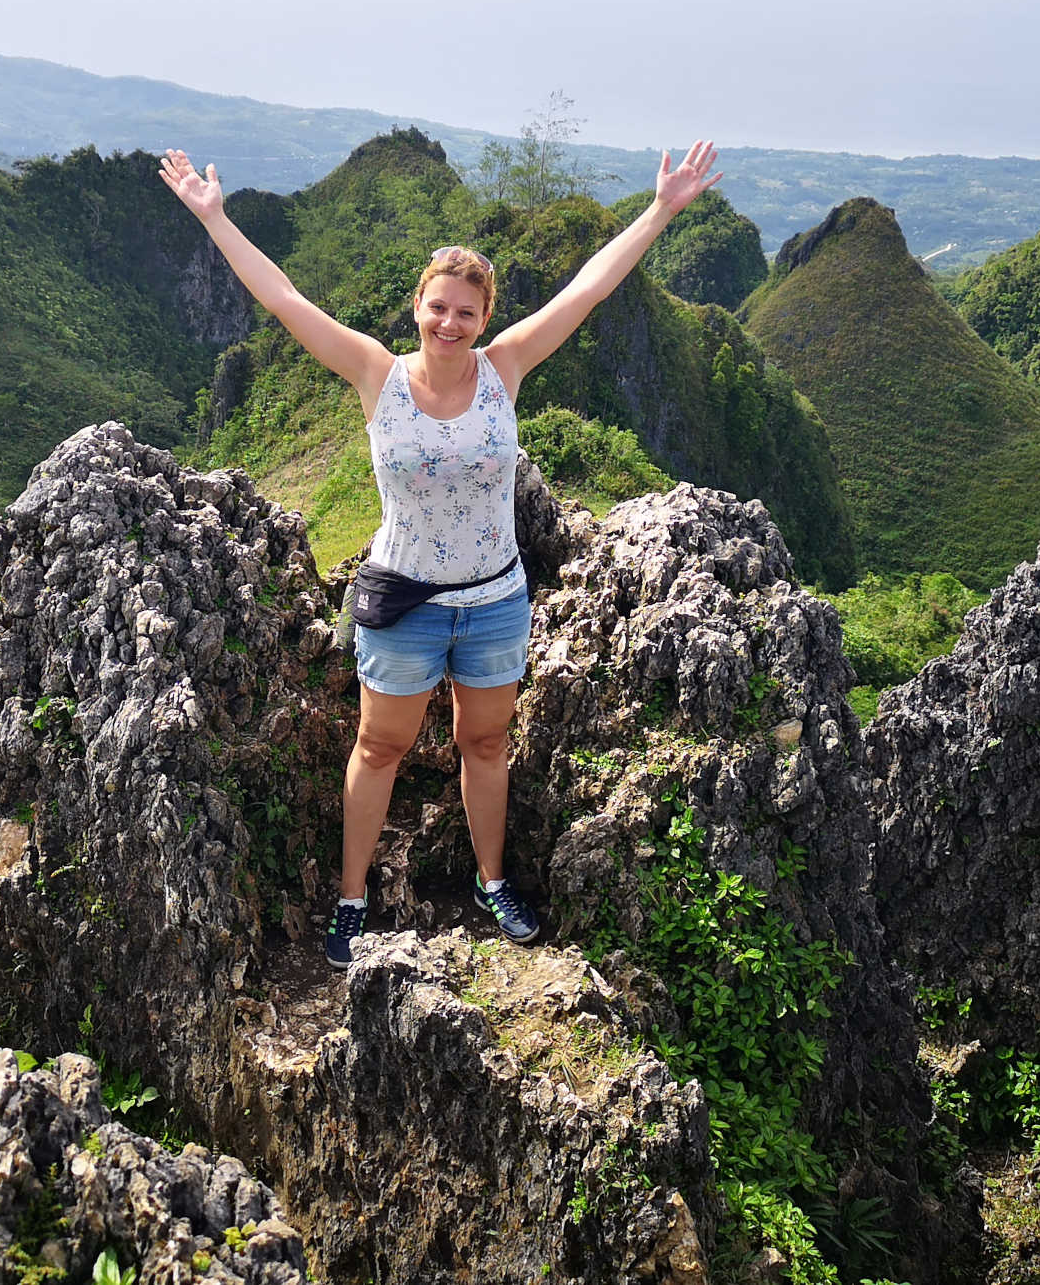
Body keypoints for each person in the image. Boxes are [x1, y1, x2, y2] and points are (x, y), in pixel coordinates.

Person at [157, 139, 723, 968]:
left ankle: (492, 882)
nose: (449, 323)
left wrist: (661, 209)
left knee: (485, 744)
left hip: (493, 600)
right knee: (379, 747)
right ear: (415, 307)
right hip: (404, 602)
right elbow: (281, 298)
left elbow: (589, 288)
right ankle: (351, 901)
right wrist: (215, 218)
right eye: (436, 307)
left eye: (465, 311)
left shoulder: (507, 368)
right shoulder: (373, 375)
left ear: (483, 319)